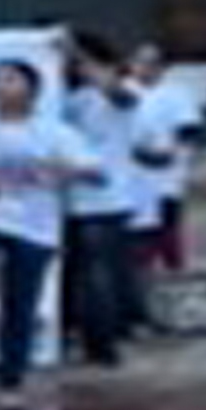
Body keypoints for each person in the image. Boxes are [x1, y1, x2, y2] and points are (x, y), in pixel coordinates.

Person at [0, 59, 104, 410]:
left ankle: (10, 383)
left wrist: (64, 169)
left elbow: (96, 171)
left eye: (9, 79)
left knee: (20, 306)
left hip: (33, 225)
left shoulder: (54, 131)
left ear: (32, 89)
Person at [60, 30, 145, 366]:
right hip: (59, 200)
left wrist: (77, 55)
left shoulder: (112, 94)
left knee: (97, 275)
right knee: (70, 274)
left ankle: (102, 342)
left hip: (104, 200)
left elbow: (122, 96)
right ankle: (68, 333)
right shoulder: (58, 96)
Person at [127, 42, 199, 277]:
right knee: (138, 230)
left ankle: (173, 271)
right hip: (130, 173)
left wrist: (171, 153)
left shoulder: (176, 93)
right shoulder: (123, 91)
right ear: (131, 64)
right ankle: (141, 273)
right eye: (141, 62)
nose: (147, 68)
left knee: (168, 224)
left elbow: (188, 130)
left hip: (166, 172)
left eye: (154, 63)